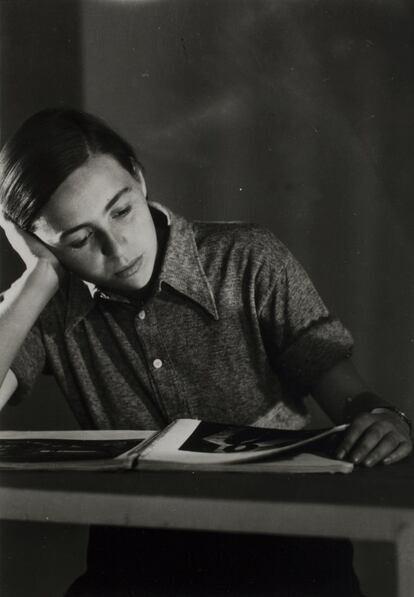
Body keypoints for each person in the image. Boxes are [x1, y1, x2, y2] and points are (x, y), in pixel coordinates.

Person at [0, 108, 411, 597]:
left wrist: (384, 417)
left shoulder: (250, 257)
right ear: (38, 242)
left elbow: (350, 394)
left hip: (285, 556)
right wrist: (37, 279)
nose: (117, 247)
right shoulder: (46, 306)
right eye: (80, 239)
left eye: (121, 209)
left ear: (139, 176)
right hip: (140, 565)